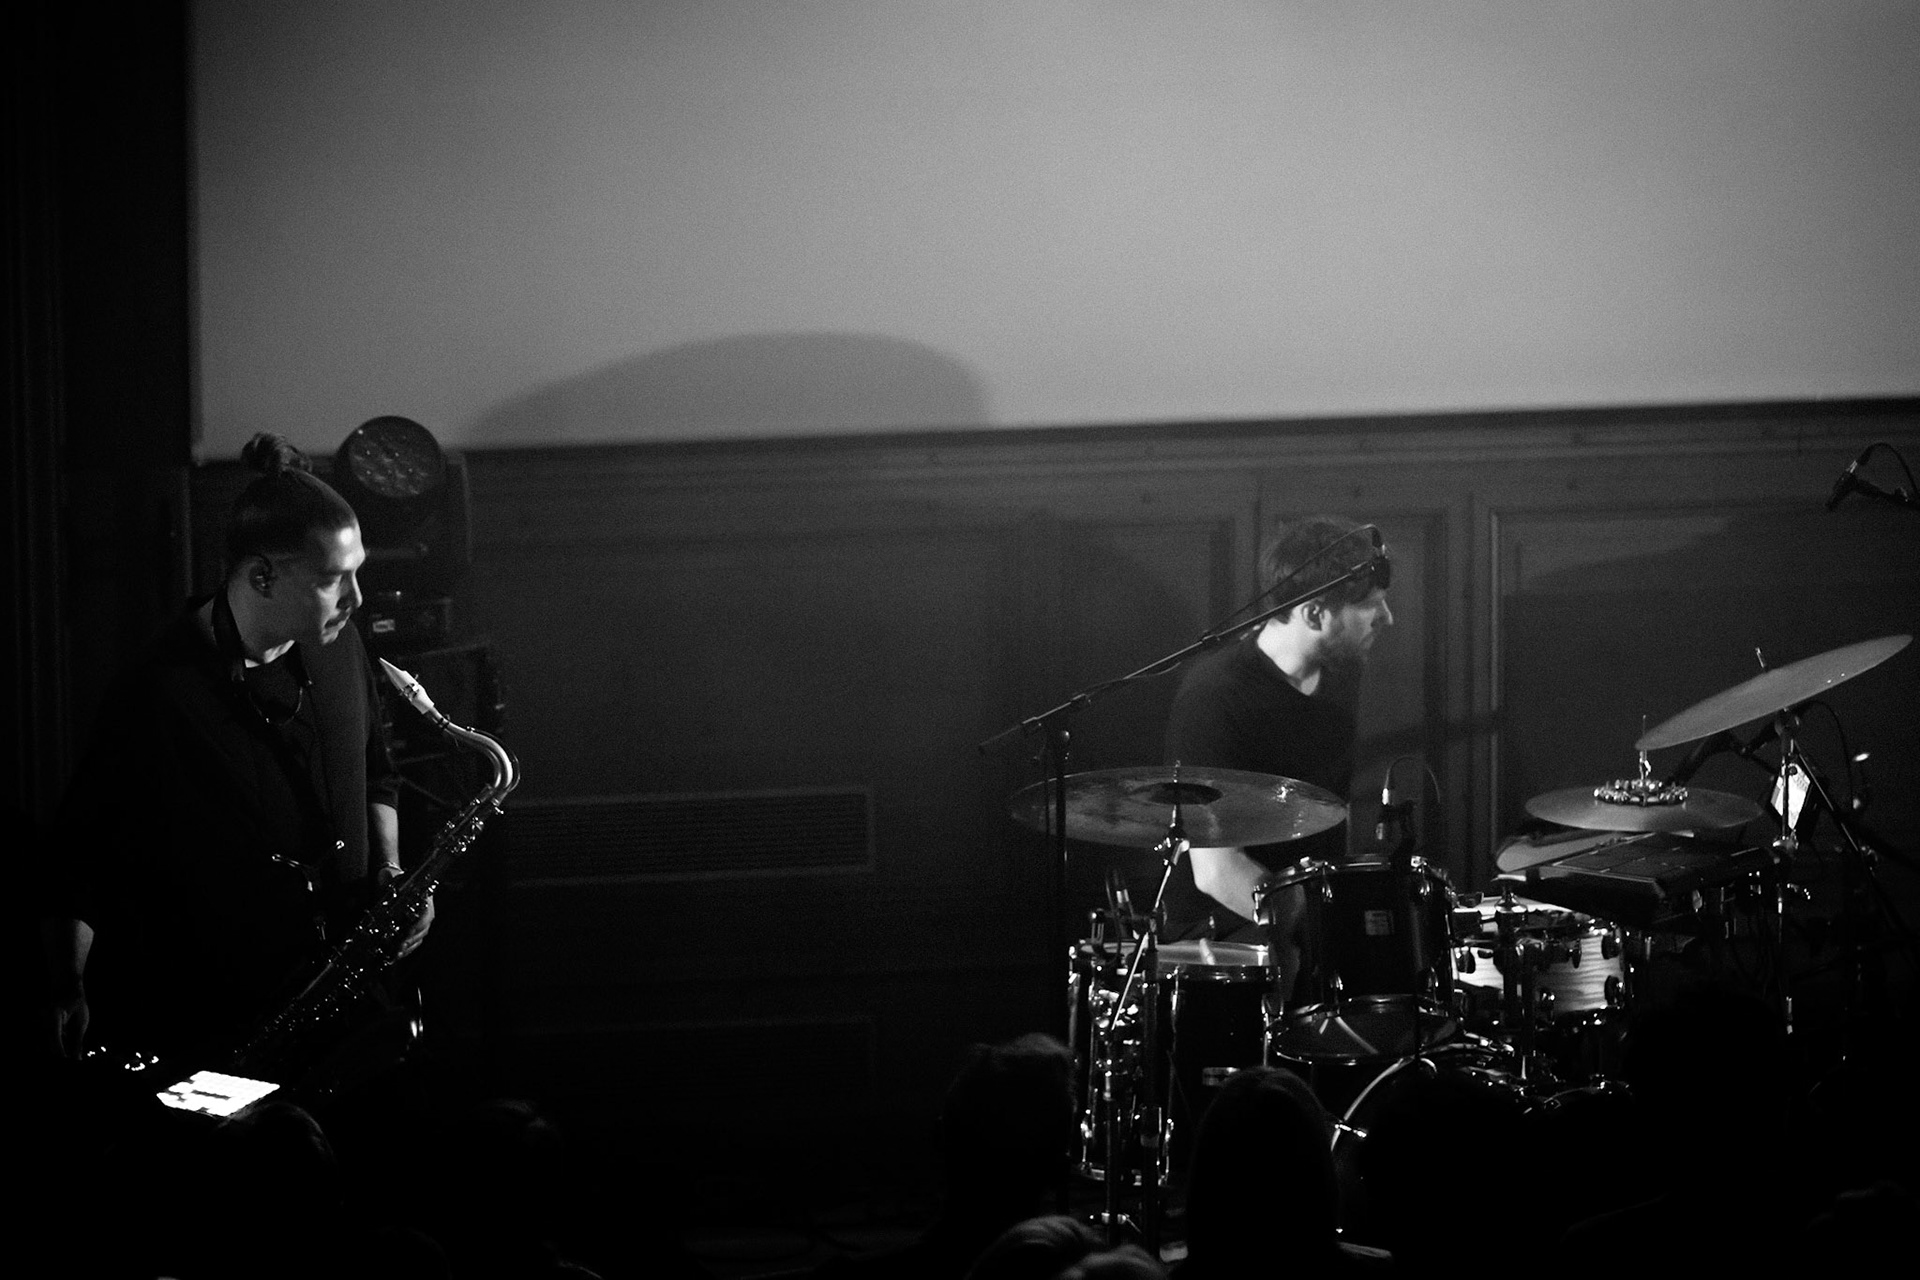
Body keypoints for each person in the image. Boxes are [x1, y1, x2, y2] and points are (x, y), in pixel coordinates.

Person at [43, 433, 431, 1069]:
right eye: (336, 580)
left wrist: (391, 871)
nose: (357, 600)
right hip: (227, 1020)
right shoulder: (157, 693)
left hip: (348, 998)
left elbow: (376, 776)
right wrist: (67, 988)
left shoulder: (341, 646)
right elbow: (81, 861)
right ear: (261, 576)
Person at [1160, 515, 1391, 943]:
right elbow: (1216, 871)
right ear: (1316, 614)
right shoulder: (1215, 697)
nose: (1387, 619)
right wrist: (1319, 931)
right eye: (1370, 607)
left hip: (1304, 916)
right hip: (1221, 939)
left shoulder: (1340, 674)